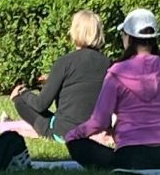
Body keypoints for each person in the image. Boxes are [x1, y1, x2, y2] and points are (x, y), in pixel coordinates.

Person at [66, 6, 160, 170]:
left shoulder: (117, 73)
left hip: (130, 155)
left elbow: (99, 121)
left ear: (128, 38)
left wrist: (74, 135)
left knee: (77, 143)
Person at [11, 9, 110, 139]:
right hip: (97, 129)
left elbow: (41, 104)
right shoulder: (109, 64)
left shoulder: (65, 62)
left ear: (74, 31)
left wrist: (23, 93)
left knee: (20, 102)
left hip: (66, 131)